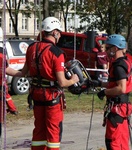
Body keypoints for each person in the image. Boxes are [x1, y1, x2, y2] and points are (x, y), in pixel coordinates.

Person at [21, 16, 79, 150]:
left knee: (39, 131)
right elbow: (62, 82)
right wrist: (73, 80)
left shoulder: (31, 48)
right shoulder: (56, 52)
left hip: (36, 95)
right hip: (51, 97)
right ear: (55, 32)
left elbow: (24, 72)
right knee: (53, 133)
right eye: (59, 32)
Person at [97, 34, 132, 150]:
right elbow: (115, 83)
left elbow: (121, 88)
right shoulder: (125, 62)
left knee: (113, 142)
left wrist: (104, 92)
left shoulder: (118, 66)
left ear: (115, 48)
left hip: (117, 109)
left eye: (108, 48)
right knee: (122, 142)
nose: (106, 51)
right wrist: (98, 83)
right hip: (123, 108)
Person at [0, 47, 23, 136]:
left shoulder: (2, 53)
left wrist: (21, 74)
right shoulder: (1, 54)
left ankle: (13, 109)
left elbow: (6, 69)